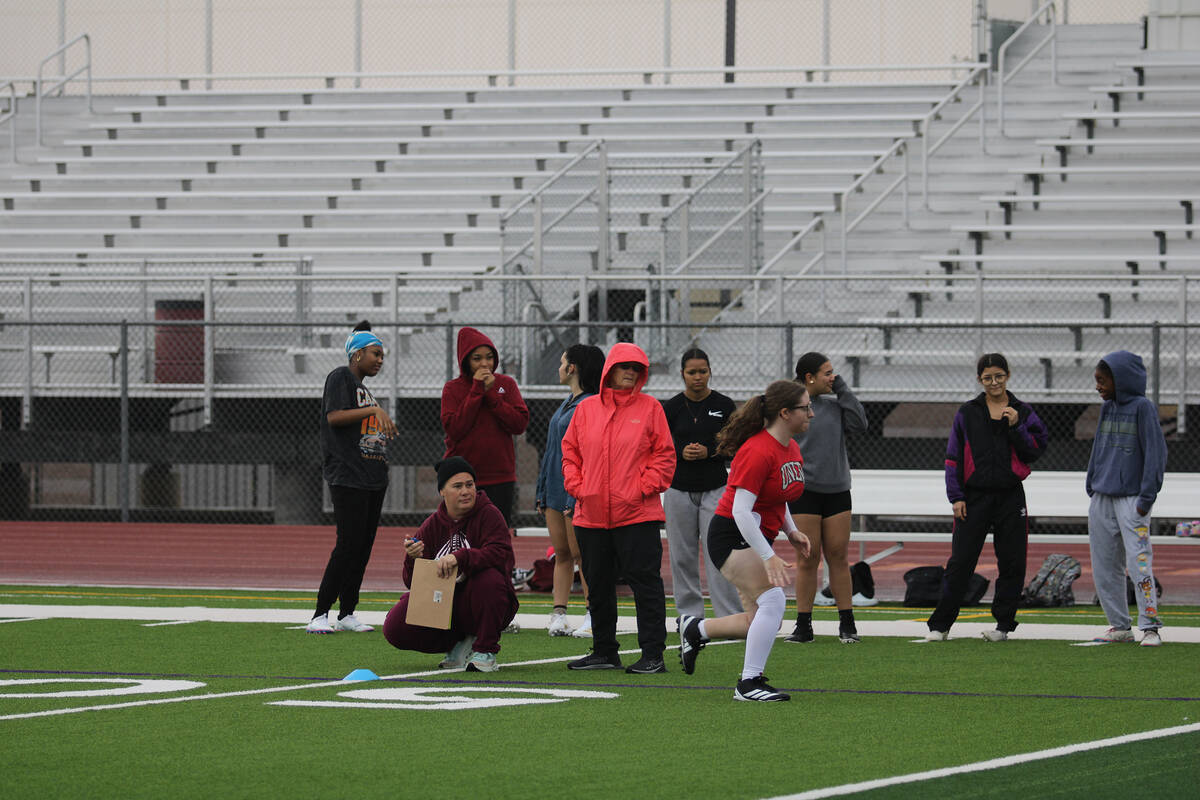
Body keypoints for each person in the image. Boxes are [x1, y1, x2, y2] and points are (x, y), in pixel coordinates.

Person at [677, 380, 813, 702]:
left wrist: (791, 530)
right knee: (774, 601)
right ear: (785, 413)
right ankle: (748, 683)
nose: (811, 413)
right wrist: (768, 556)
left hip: (753, 534)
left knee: (758, 621)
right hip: (731, 535)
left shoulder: (790, 447)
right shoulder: (757, 450)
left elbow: (777, 496)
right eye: (805, 407)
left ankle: (696, 629)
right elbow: (740, 510)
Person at [560, 342, 675, 674]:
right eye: (625, 366)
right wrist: (579, 488)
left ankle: (653, 654)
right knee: (597, 586)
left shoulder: (651, 408)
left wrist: (641, 489)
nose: (631, 373)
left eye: (637, 368)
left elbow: (665, 456)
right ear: (609, 370)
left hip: (637, 515)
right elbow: (570, 453)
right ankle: (604, 651)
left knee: (646, 586)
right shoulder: (586, 409)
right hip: (591, 516)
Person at [926, 353, 1049, 642]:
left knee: (1012, 562)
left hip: (1010, 496)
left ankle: (1003, 625)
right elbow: (953, 458)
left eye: (999, 376)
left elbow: (1035, 450)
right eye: (987, 378)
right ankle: (940, 625)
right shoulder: (967, 413)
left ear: (1008, 376)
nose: (994, 382)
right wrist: (956, 496)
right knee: (961, 562)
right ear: (979, 379)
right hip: (973, 497)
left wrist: (1017, 426)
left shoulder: (1023, 411)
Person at [382, 457, 519, 672]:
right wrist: (413, 559)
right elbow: (412, 583)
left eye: (469, 485)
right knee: (395, 625)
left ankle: (485, 649)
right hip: (444, 603)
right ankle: (457, 643)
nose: (465, 491)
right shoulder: (432, 525)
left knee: (489, 580)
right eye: (457, 486)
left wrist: (460, 557)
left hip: (485, 601)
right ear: (442, 492)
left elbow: (501, 554)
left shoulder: (489, 514)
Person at [306, 321, 397, 634]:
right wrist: (374, 411)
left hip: (371, 478)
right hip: (348, 475)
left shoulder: (363, 389)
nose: (380, 360)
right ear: (357, 354)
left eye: (382, 355)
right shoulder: (340, 376)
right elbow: (334, 417)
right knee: (347, 545)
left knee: (362, 547)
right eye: (375, 353)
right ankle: (320, 613)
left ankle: (347, 612)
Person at [786, 352, 868, 644]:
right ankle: (803, 626)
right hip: (804, 491)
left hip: (837, 491)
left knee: (838, 556)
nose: (833, 377)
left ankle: (847, 624)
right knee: (807, 558)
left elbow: (860, 424)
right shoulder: (791, 408)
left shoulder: (836, 406)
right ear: (809, 377)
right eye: (828, 373)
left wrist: (843, 389)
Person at [1086, 351, 1168, 647]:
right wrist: (1091, 482)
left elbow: (1156, 453)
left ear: (1120, 380)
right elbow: (1099, 446)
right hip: (1102, 497)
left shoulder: (1143, 408)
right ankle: (1120, 625)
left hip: (1132, 500)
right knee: (1104, 565)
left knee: (1138, 563)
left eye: (1102, 380)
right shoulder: (1107, 408)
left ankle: (1150, 627)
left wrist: (1146, 497)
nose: (1098, 386)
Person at [661, 348, 742, 619]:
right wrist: (680, 451)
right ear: (682, 374)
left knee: (719, 552)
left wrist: (711, 451)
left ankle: (729, 616)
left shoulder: (724, 405)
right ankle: (689, 617)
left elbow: (736, 444)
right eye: (692, 372)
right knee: (681, 556)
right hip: (678, 489)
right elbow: (659, 445)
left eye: (703, 371)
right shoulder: (670, 407)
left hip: (716, 489)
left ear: (710, 372)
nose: (698, 377)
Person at [535, 343, 605, 637]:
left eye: (562, 362)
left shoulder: (591, 404)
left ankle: (593, 615)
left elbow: (588, 455)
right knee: (561, 553)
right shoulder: (567, 402)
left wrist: (576, 494)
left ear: (572, 367)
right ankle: (559, 614)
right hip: (554, 488)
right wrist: (541, 489)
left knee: (582, 555)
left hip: (574, 491)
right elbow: (552, 450)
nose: (559, 367)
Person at [440, 326, 529, 527]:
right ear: (466, 361)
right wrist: (477, 390)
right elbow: (455, 429)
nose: (484, 364)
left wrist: (491, 395)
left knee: (496, 535)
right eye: (477, 359)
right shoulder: (452, 388)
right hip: (462, 478)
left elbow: (519, 424)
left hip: (499, 477)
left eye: (489, 358)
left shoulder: (506, 384)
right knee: (461, 535)